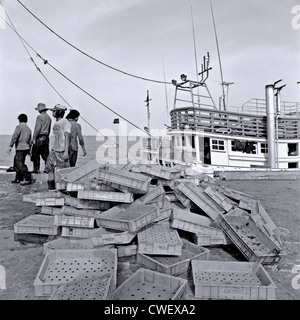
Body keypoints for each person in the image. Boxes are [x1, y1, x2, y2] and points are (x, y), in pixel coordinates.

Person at [44, 104, 71, 190]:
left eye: (55, 111)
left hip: (62, 150)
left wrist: (66, 151)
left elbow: (67, 136)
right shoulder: (56, 123)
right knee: (49, 167)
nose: (53, 113)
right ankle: (51, 188)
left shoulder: (65, 122)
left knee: (62, 170)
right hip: (54, 150)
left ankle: (63, 189)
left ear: (59, 112)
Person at [7, 114, 33, 185]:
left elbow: (15, 137)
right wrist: (30, 150)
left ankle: (27, 177)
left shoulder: (19, 127)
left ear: (19, 120)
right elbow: (30, 141)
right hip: (26, 148)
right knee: (17, 162)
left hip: (20, 148)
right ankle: (18, 178)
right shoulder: (29, 129)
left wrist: (10, 146)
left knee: (19, 163)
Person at [31, 102, 52, 173]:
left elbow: (38, 128)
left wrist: (34, 138)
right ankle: (48, 169)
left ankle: (36, 169)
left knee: (35, 153)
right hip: (46, 137)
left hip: (40, 136)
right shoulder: (49, 118)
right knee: (46, 154)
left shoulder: (39, 117)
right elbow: (49, 130)